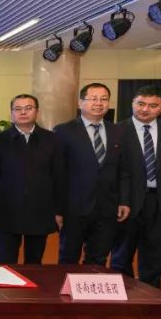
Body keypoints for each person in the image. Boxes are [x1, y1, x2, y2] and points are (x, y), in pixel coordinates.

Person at [110, 86, 161, 287]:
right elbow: (114, 171)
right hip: (126, 204)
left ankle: (151, 297)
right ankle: (123, 296)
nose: (145, 109)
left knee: (154, 256)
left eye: (152, 105)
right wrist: (121, 200)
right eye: (140, 104)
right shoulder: (117, 130)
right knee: (121, 255)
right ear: (132, 103)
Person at [53, 82, 132, 266]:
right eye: (93, 99)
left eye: (104, 99)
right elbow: (58, 173)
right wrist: (58, 209)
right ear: (80, 102)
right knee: (68, 258)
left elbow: (124, 170)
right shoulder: (63, 131)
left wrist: (124, 200)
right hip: (74, 209)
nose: (99, 103)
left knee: (98, 259)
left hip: (107, 208)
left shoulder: (118, 131)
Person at [0, 94, 64, 264]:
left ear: (37, 111)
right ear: (11, 113)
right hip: (8, 210)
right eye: (18, 109)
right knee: (6, 263)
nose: (23, 112)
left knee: (35, 264)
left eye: (28, 108)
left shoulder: (52, 140)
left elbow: (60, 176)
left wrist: (59, 210)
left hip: (40, 210)